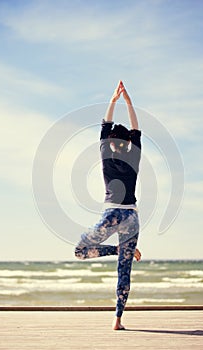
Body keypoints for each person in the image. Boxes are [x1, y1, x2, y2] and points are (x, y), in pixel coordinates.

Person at [75, 81, 142, 330]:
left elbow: (105, 126)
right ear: (127, 142)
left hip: (112, 213)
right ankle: (117, 320)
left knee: (80, 251)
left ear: (112, 141)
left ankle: (116, 250)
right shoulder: (134, 153)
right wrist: (128, 102)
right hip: (132, 218)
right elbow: (136, 128)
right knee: (124, 270)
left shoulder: (105, 152)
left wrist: (114, 100)